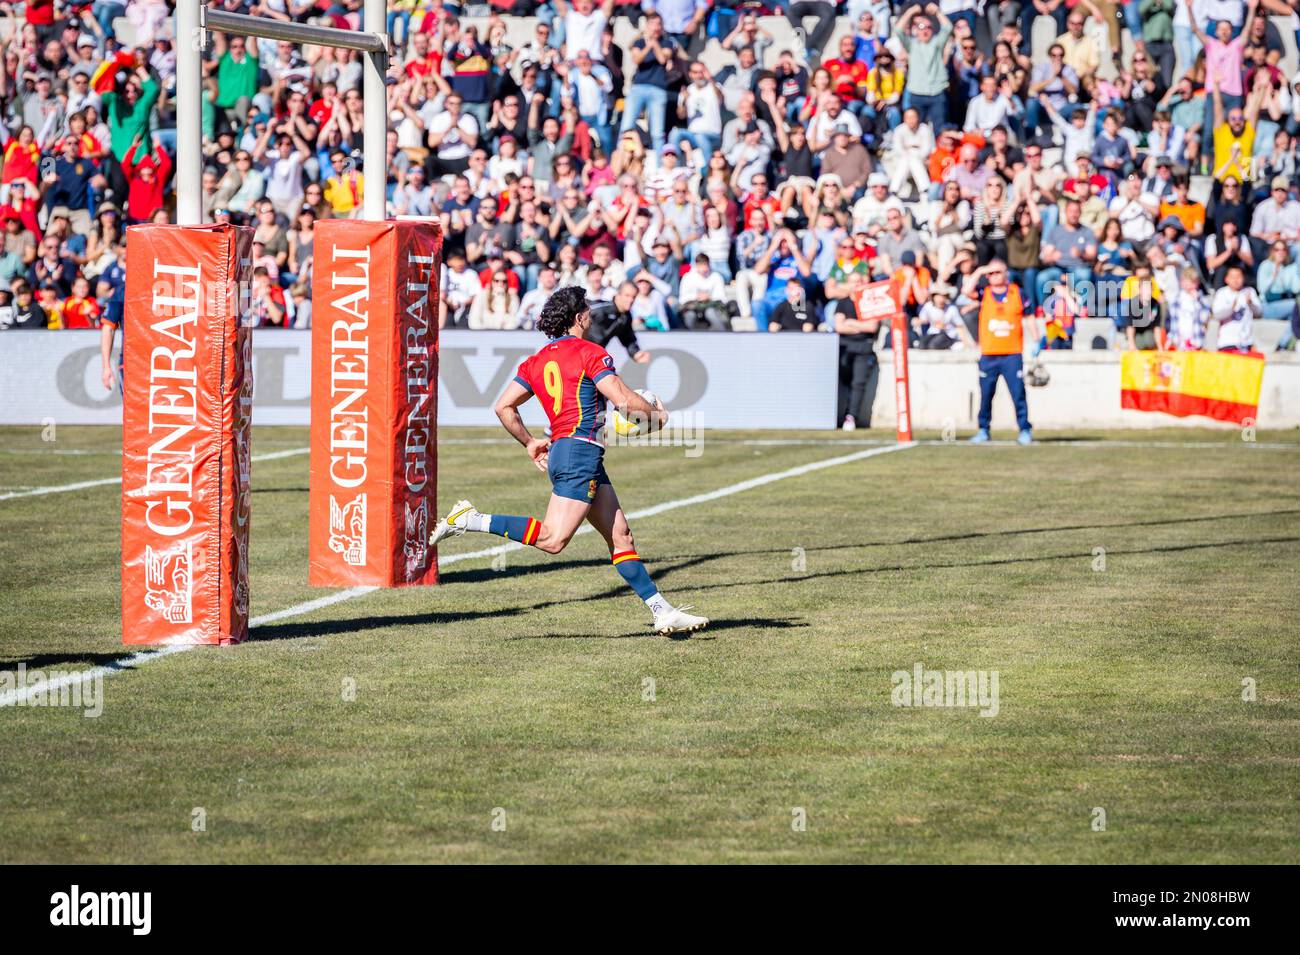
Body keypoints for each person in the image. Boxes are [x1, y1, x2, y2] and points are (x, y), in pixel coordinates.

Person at [429, 286, 709, 636]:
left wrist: (530, 442)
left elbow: (503, 406)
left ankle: (661, 611)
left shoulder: (537, 360)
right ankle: (471, 519)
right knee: (553, 540)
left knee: (621, 537)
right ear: (579, 318)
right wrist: (656, 416)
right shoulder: (592, 352)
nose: (592, 317)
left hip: (569, 450)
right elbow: (621, 399)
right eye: (588, 312)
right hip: (580, 453)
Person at [964, 260, 1040, 445]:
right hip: (989, 354)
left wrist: (1036, 340)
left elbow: (1029, 316)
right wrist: (981, 270)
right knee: (986, 394)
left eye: (998, 272)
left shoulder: (1017, 292)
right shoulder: (984, 293)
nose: (994, 276)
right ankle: (983, 429)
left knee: (1018, 393)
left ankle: (1024, 429)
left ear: (1005, 273)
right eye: (991, 273)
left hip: (1011, 354)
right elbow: (966, 291)